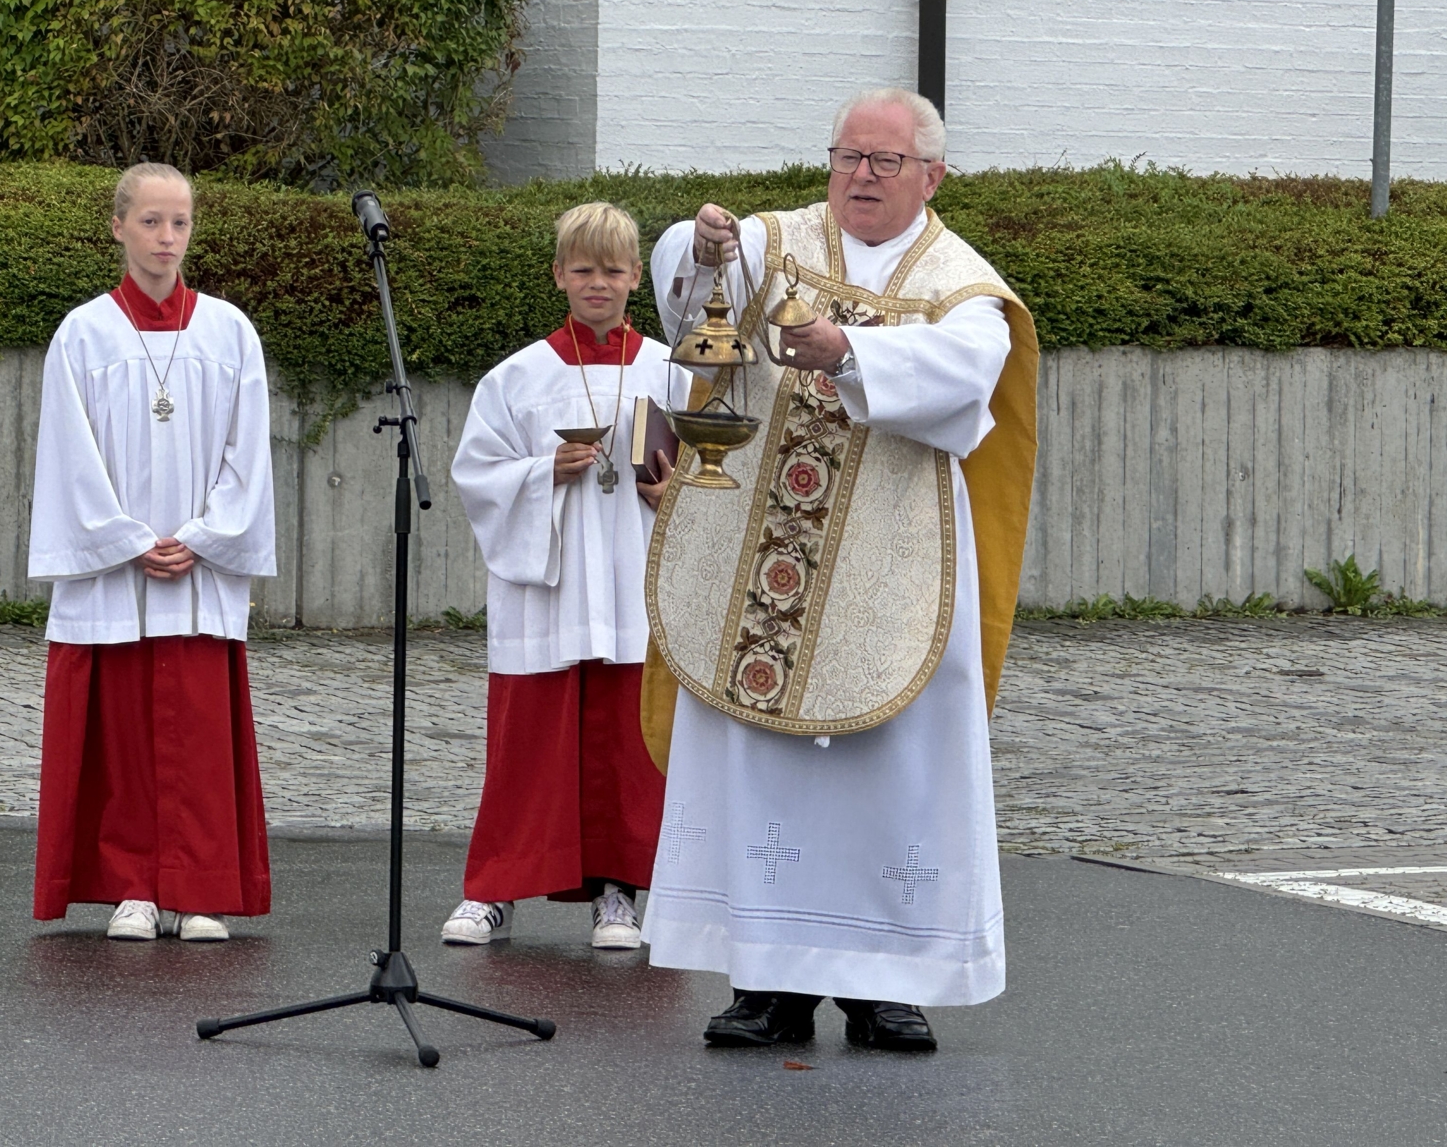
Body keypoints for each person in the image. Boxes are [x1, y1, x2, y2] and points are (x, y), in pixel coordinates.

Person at [639, 87, 1039, 1050]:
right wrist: (694, 250)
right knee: (758, 767)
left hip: (893, 559)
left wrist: (847, 349)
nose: (862, 176)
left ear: (931, 176)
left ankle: (882, 982)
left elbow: (966, 375)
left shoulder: (962, 280)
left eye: (885, 162)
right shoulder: (772, 240)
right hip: (757, 558)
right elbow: (696, 312)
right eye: (848, 157)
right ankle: (763, 981)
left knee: (891, 774)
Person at [28, 163, 277, 943]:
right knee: (125, 731)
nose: (167, 238)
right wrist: (129, 542)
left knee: (199, 731)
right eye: (151, 222)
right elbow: (69, 453)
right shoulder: (85, 331)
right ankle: (134, 886)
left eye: (179, 224)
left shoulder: (230, 331)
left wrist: (205, 537)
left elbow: (250, 453)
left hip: (197, 570)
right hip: (118, 574)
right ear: (118, 227)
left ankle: (200, 889)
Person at [445, 202, 677, 951]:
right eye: (583, 269)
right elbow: (478, 476)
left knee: (626, 745)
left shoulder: (670, 370)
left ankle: (619, 894)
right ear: (558, 275)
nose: (598, 284)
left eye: (613, 270)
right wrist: (544, 469)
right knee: (530, 741)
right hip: (550, 585)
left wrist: (673, 494)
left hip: (632, 577)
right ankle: (494, 891)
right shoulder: (518, 376)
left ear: (636, 276)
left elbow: (714, 469)